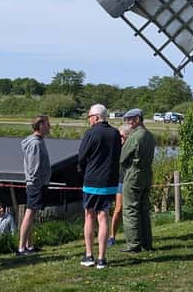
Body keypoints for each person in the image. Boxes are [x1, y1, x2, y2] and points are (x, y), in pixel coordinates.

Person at [76, 103, 121, 269]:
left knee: (89, 216)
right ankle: (102, 258)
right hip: (110, 181)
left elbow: (81, 156)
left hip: (92, 181)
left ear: (95, 117)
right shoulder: (116, 133)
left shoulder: (91, 132)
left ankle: (89, 255)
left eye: (89, 117)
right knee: (104, 218)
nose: (88, 120)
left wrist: (82, 169)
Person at [119, 109, 156, 253]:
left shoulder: (135, 137)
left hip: (134, 174)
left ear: (137, 119)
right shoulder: (150, 136)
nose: (128, 122)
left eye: (130, 119)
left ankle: (133, 244)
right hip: (147, 174)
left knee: (130, 209)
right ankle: (147, 243)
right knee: (144, 210)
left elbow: (122, 158)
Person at [17, 114, 50, 257]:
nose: (50, 127)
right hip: (35, 184)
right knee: (29, 213)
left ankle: (30, 246)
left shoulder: (38, 141)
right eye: (48, 124)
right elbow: (33, 167)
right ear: (41, 125)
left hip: (35, 183)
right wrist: (37, 183)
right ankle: (21, 248)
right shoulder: (36, 143)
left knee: (32, 214)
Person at [108, 125, 130, 246]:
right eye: (118, 136)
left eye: (122, 136)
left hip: (131, 180)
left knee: (132, 209)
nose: (120, 138)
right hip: (120, 181)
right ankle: (112, 236)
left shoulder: (132, 147)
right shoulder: (115, 148)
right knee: (118, 209)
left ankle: (134, 235)